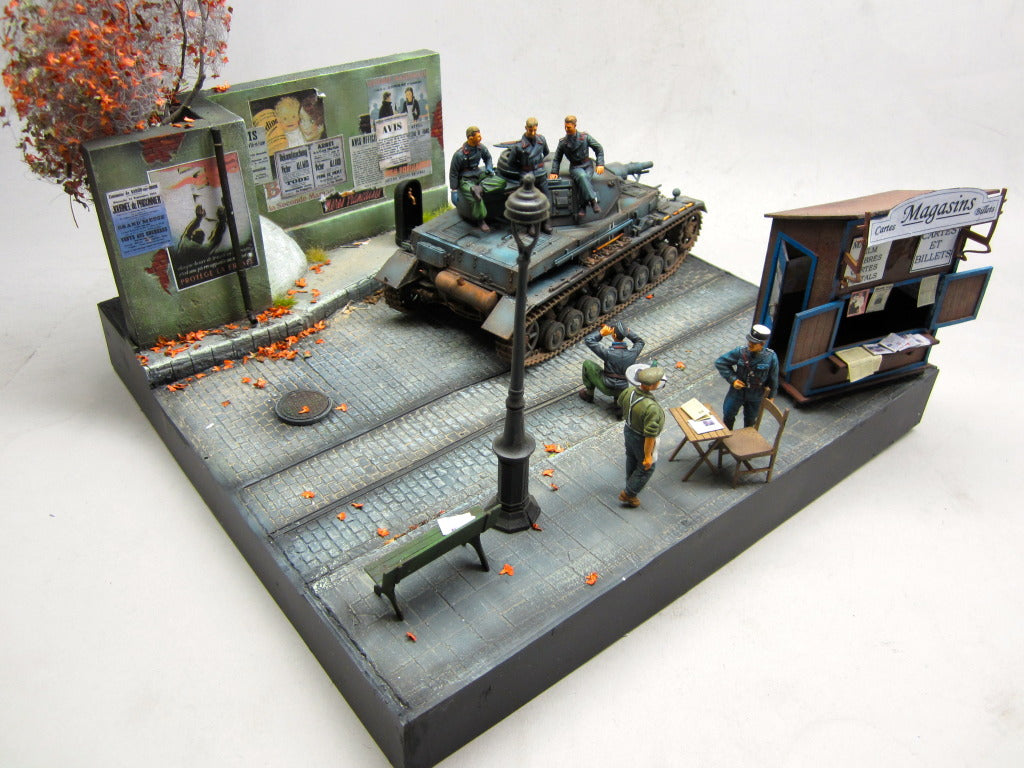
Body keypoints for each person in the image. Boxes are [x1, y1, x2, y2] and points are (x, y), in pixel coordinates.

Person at [616, 365, 667, 507]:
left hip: (628, 430)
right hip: (642, 438)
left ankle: (630, 481)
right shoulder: (651, 407)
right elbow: (650, 435)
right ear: (652, 386)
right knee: (646, 467)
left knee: (631, 457)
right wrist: (648, 456)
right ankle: (629, 493)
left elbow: (620, 402)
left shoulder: (629, 391)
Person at [714, 324, 780, 430]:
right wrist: (733, 380)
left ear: (762, 344)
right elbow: (720, 363)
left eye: (754, 343)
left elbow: (774, 379)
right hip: (737, 392)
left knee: (750, 420)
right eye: (750, 341)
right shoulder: (740, 352)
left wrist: (771, 397)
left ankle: (747, 438)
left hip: (756, 395)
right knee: (728, 414)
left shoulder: (771, 358)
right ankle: (725, 438)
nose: (750, 344)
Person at [449, 125, 507, 232]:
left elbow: (488, 158)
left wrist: (489, 167)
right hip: (466, 179)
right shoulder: (459, 155)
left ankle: (479, 189)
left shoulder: (481, 148)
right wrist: (454, 190)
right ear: (471, 138)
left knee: (501, 182)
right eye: (478, 137)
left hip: (479, 174)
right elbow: (453, 173)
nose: (481, 138)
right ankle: (481, 219)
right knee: (476, 199)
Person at [579, 321, 645, 408]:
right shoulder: (632, 353)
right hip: (623, 389)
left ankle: (589, 394)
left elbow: (588, 340)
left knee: (587, 364)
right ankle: (618, 402)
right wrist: (628, 333)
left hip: (607, 387)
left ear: (613, 335)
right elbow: (640, 342)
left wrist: (601, 333)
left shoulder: (608, 353)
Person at [549, 115, 605, 214]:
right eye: (565, 127)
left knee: (584, 181)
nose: (566, 129)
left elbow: (599, 148)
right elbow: (557, 158)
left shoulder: (585, 137)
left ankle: (582, 206)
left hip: (587, 165)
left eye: (569, 127)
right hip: (575, 167)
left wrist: (600, 164)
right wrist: (554, 172)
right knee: (582, 176)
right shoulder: (563, 143)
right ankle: (593, 201)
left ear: (575, 126)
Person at [507, 117, 552, 232]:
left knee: (546, 198)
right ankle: (531, 225)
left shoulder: (541, 140)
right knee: (529, 202)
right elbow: (511, 163)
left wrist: (539, 164)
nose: (532, 133)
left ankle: (546, 222)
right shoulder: (518, 146)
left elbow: (546, 152)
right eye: (530, 130)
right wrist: (522, 170)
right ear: (526, 128)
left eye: (535, 130)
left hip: (540, 173)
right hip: (527, 175)